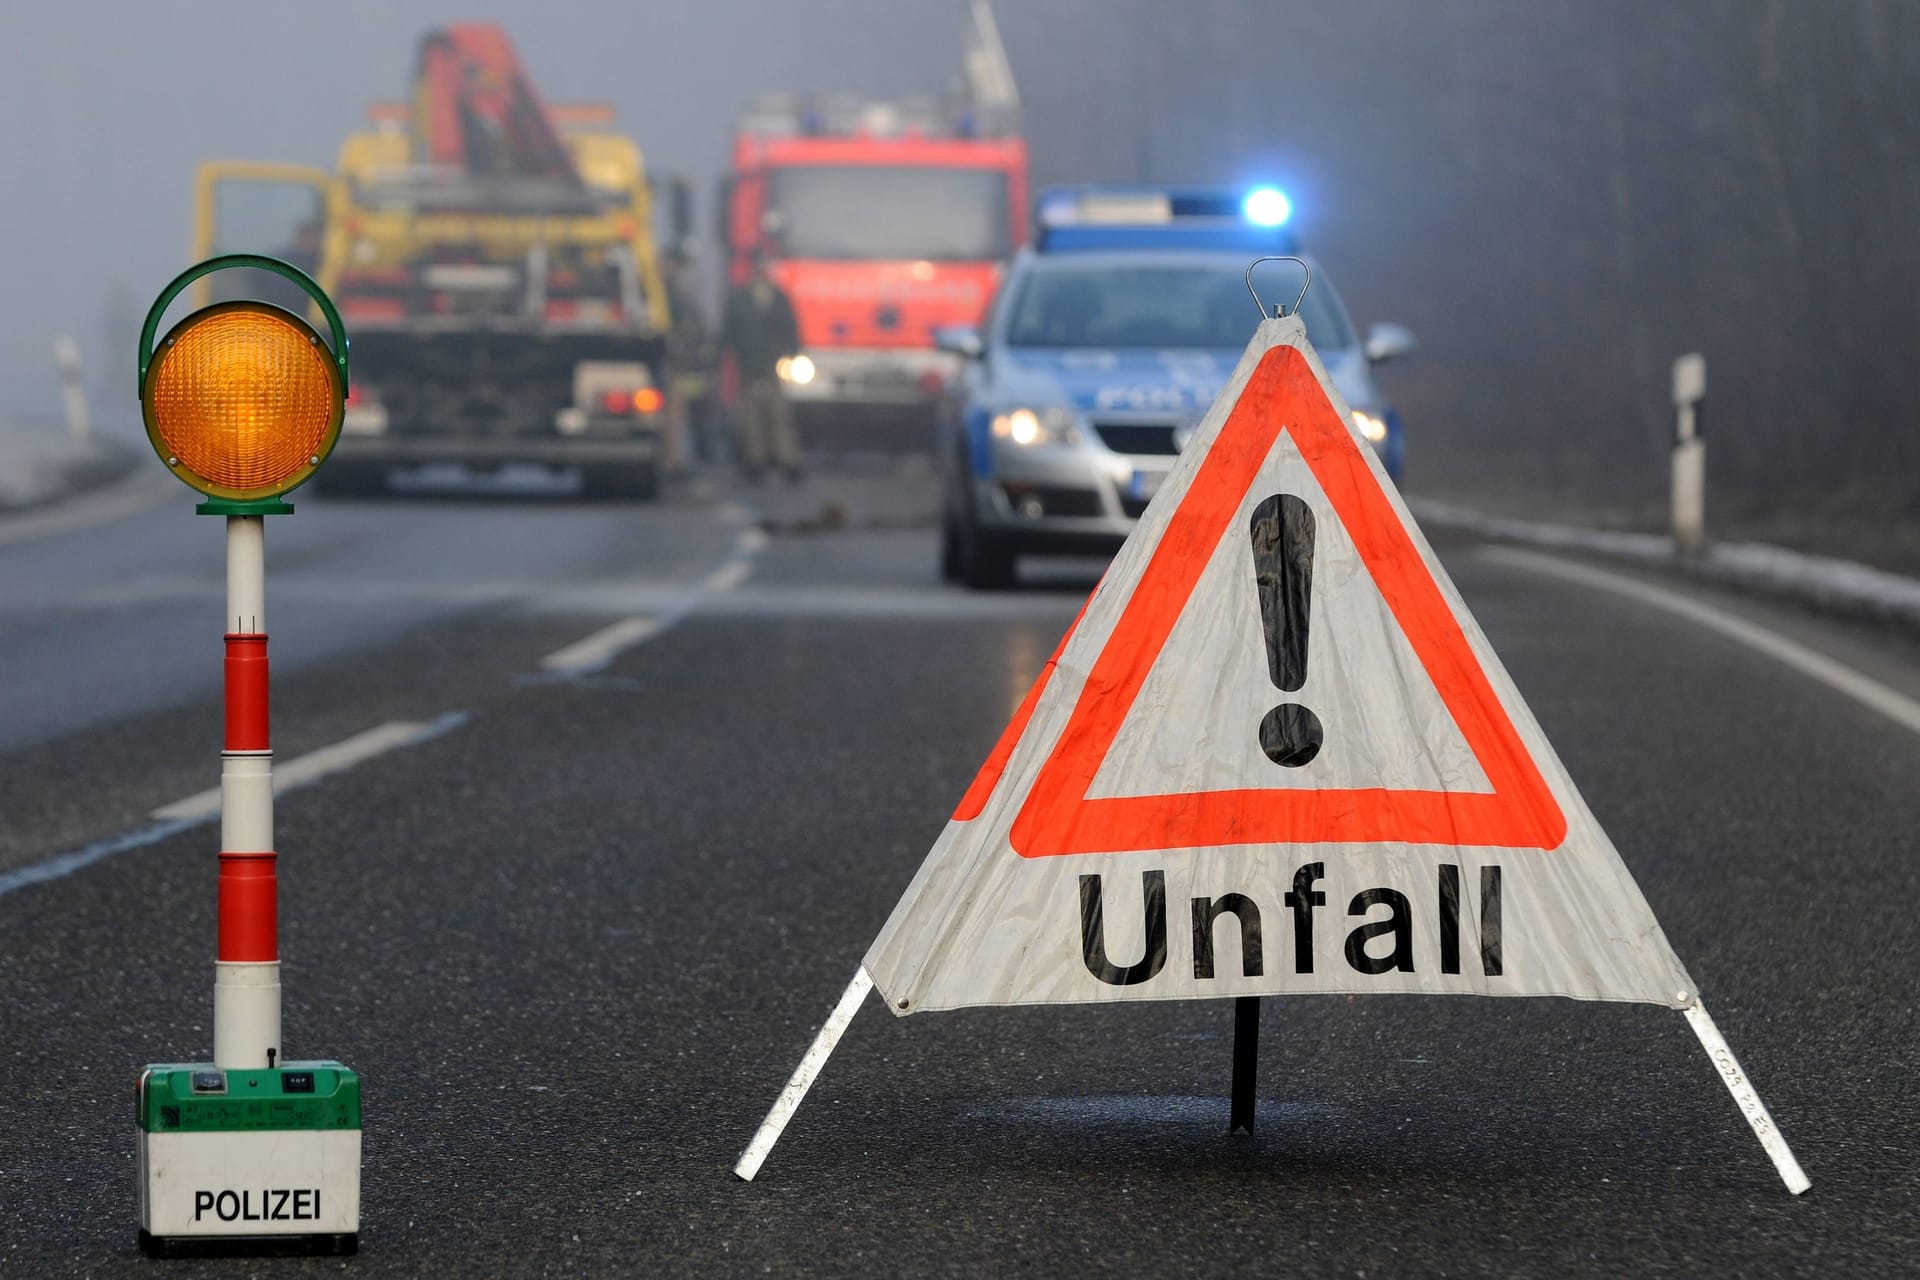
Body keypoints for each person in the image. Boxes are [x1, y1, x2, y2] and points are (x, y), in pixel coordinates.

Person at [720, 249, 803, 481]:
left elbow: (790, 327)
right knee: (750, 416)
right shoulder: (739, 298)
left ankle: (788, 460)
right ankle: (755, 461)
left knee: (779, 414)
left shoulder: (778, 297)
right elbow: (730, 330)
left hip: (772, 363)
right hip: (748, 363)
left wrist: (792, 353)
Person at [659, 248, 710, 475]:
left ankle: (676, 458)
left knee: (679, 413)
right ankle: (673, 459)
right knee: (673, 413)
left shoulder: (675, 292)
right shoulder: (666, 292)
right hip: (672, 362)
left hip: (680, 364)